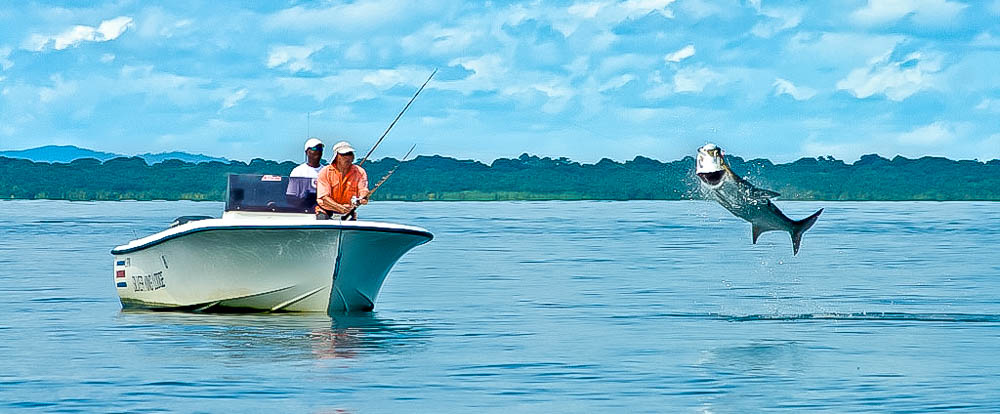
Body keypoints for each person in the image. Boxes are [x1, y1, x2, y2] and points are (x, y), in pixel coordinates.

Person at [316, 141, 369, 220]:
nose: (348, 157)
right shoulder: (325, 172)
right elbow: (324, 197)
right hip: (326, 211)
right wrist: (339, 207)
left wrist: (363, 197)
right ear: (336, 156)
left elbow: (363, 189)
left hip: (348, 212)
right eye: (344, 154)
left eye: (350, 154)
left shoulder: (360, 172)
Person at [285, 138, 324, 209]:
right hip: (302, 211)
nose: (318, 151)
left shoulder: (326, 171)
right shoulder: (298, 171)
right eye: (314, 149)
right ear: (307, 152)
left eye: (320, 149)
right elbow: (291, 196)